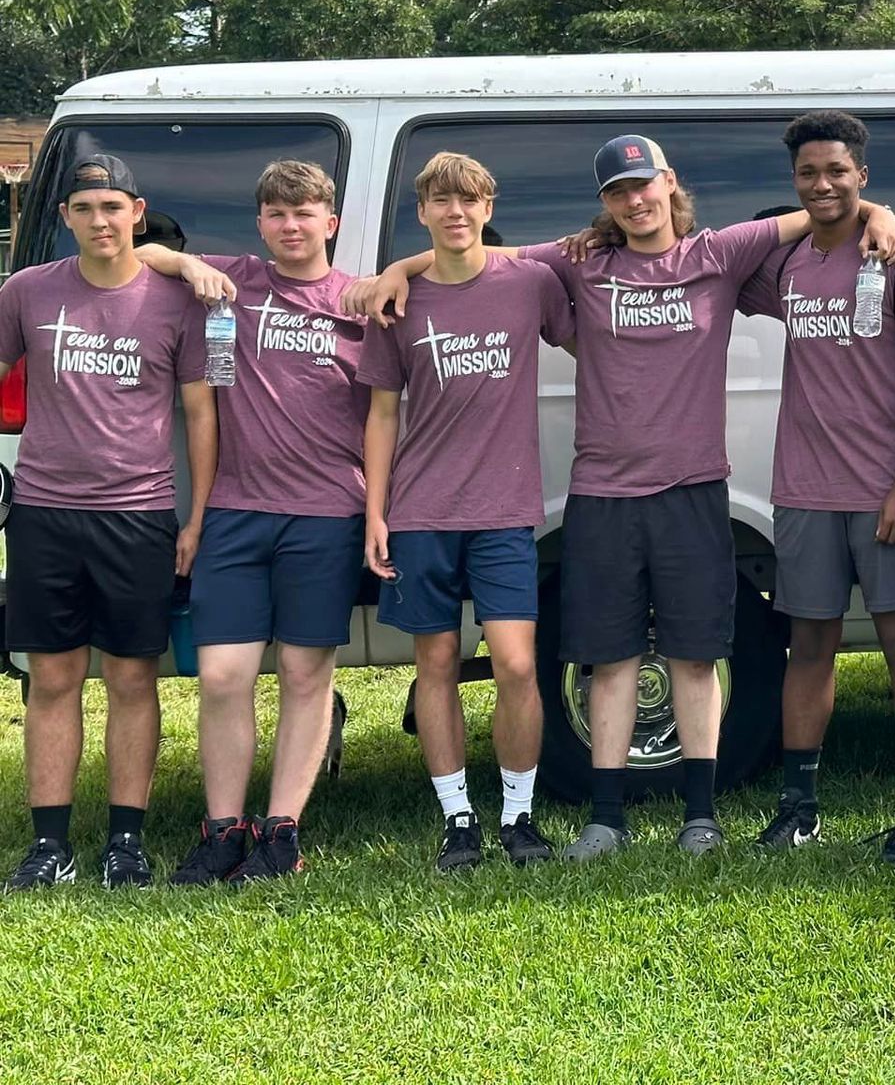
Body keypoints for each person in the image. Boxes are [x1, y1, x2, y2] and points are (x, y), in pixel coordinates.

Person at [352, 134, 895, 858]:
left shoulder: (720, 253)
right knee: (608, 658)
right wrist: (399, 265)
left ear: (669, 183)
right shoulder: (581, 260)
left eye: (645, 185)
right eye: (618, 191)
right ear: (606, 203)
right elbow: (480, 255)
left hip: (695, 488)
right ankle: (605, 818)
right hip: (602, 491)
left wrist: (881, 213)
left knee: (696, 656)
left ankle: (699, 816)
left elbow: (820, 210)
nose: (636, 200)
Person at [134, 161, 369, 884]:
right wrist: (182, 262)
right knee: (223, 675)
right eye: (276, 214)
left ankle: (282, 833)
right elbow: (136, 253)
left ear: (330, 222)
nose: (291, 226)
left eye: (305, 214)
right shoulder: (235, 283)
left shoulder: (358, 304)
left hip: (327, 514)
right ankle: (222, 830)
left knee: (305, 675)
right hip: (235, 512)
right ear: (261, 224)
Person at [736, 111, 895, 861]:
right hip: (802, 487)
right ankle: (800, 807)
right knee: (809, 647)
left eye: (837, 171)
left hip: (884, 488)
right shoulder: (786, 262)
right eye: (808, 173)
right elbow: (713, 260)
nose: (823, 184)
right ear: (794, 184)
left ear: (863, 172)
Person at [0, 154, 216, 890]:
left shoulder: (172, 301)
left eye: (112, 207)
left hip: (139, 512)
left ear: (137, 211)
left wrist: (197, 517)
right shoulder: (27, 292)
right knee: (52, 679)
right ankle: (49, 846)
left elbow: (199, 411)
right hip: (44, 512)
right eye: (85, 209)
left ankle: (126, 841)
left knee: (132, 678)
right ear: (65, 217)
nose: (99, 221)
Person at [358, 152, 574, 872]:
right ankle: (458, 820)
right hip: (422, 510)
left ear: (488, 206)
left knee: (516, 665)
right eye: (440, 202)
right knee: (438, 662)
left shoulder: (530, 283)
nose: (455, 212)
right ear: (421, 212)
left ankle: (519, 815)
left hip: (505, 508)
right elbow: (382, 413)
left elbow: (584, 317)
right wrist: (375, 511)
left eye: (469, 200)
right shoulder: (400, 301)